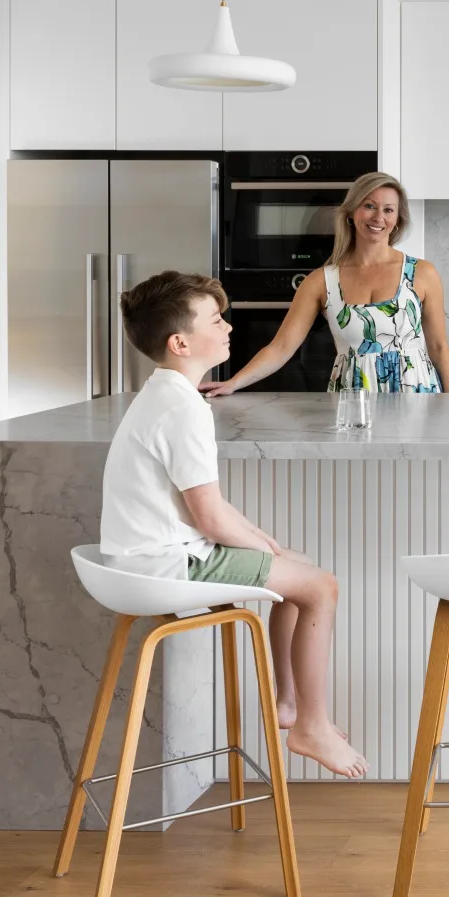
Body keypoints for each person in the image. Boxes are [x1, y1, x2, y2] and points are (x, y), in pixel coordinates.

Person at [100, 270, 368, 778]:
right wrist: (267, 550)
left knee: (301, 569)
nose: (227, 327)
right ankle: (312, 723)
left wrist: (269, 547)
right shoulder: (182, 409)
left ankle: (289, 704)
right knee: (321, 586)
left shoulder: (169, 394)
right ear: (180, 342)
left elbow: (211, 507)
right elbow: (211, 517)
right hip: (165, 565)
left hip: (148, 555)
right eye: (215, 319)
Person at [203, 171, 449, 396]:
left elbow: (438, 346)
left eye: (389, 209)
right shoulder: (321, 281)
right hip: (352, 400)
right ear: (351, 213)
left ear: (397, 219)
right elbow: (280, 348)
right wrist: (233, 383)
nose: (379, 217)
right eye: (369, 206)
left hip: (416, 395)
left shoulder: (422, 273)